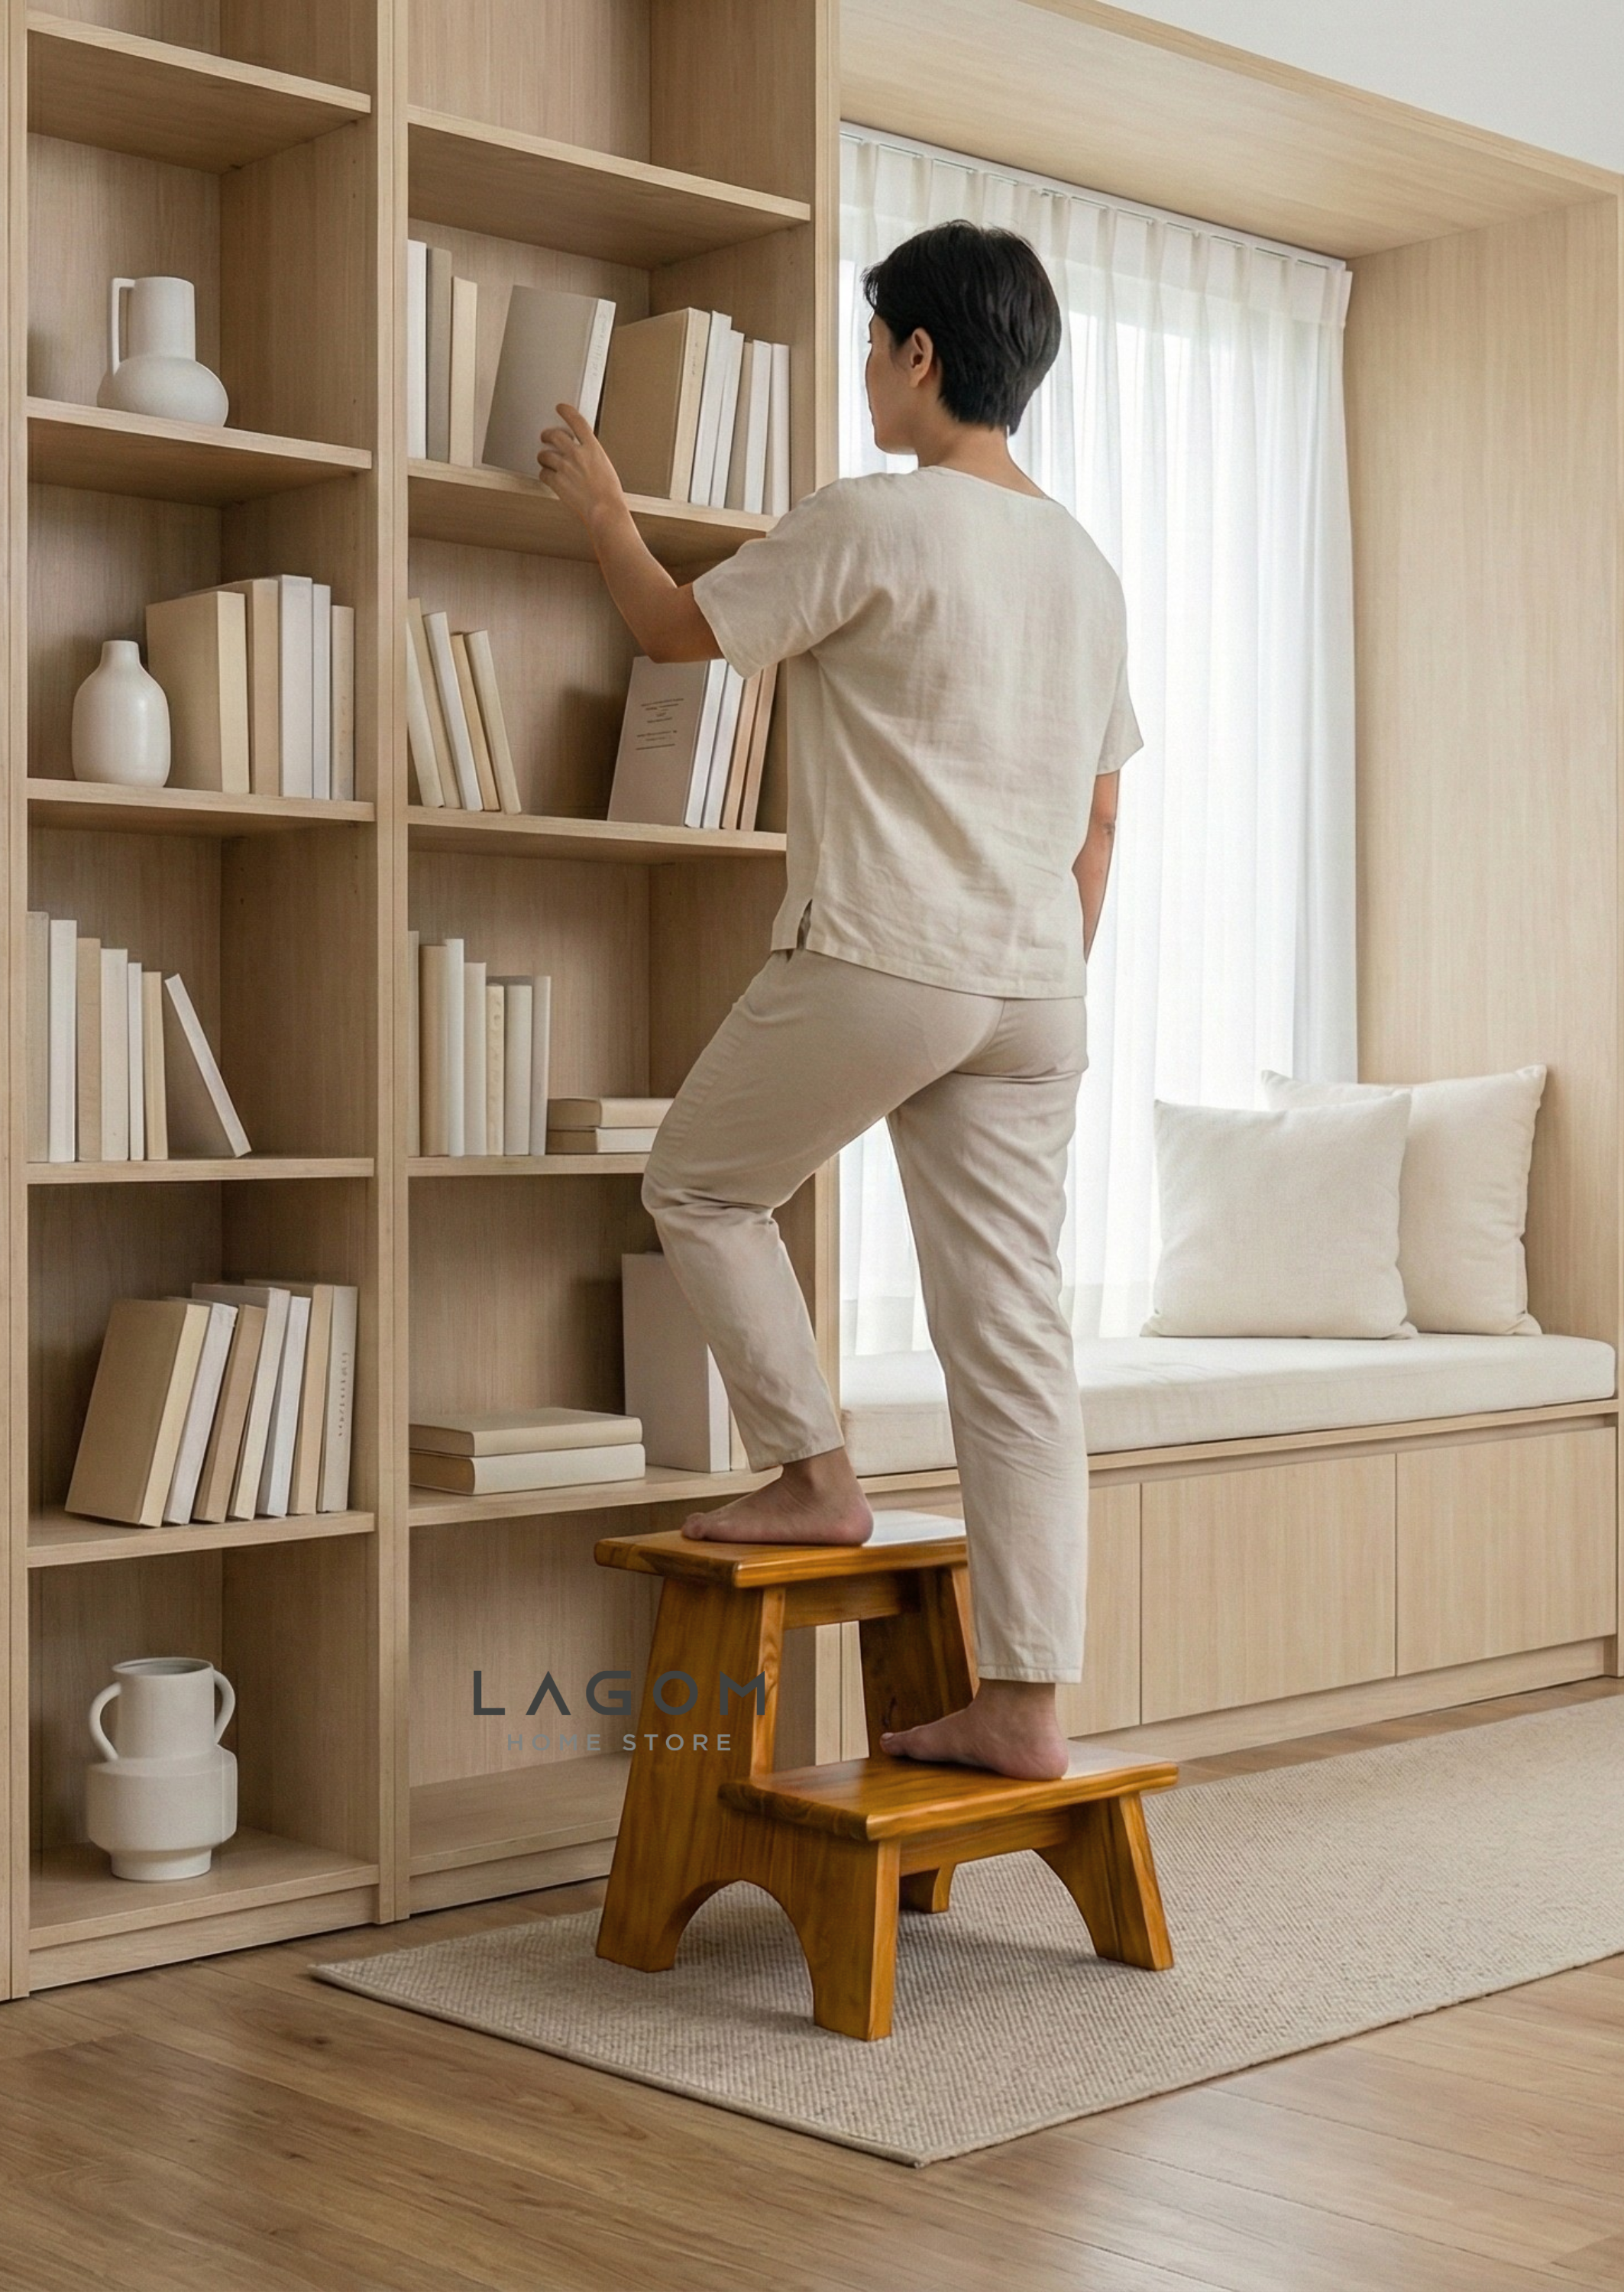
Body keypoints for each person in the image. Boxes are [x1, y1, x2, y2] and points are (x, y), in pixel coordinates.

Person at [536, 220, 1137, 1781]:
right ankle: (1026, 1706)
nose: (868, 372)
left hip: (892, 950)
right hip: (1036, 984)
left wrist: (605, 512)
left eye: (876, 345)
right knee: (1012, 1340)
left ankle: (813, 1471)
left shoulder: (881, 520)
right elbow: (1102, 819)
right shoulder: (1084, 563)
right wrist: (1036, 960)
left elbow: (681, 634)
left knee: (702, 1184)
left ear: (923, 354)